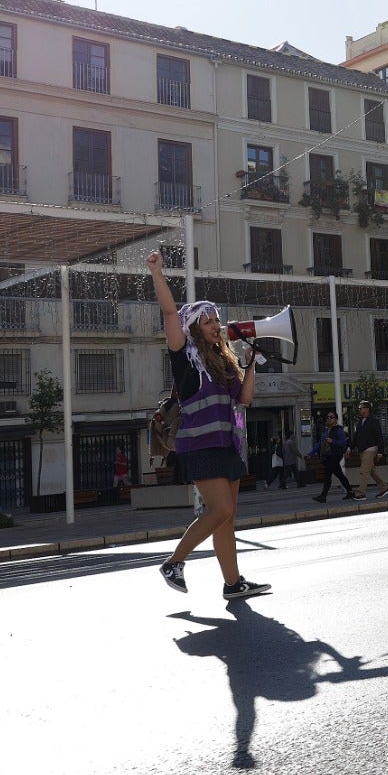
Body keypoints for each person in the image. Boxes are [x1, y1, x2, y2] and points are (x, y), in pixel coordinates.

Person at [147, 249, 270, 600]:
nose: (217, 326)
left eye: (217, 320)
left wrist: (250, 365)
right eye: (208, 321)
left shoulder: (221, 360)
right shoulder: (184, 357)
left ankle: (233, 584)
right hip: (200, 447)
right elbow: (170, 311)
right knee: (222, 510)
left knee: (226, 519)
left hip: (226, 444)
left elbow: (243, 400)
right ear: (194, 328)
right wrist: (158, 274)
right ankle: (174, 562)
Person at [313, 412, 358, 503]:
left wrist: (332, 441)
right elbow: (320, 443)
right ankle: (350, 491)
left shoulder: (338, 430)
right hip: (328, 456)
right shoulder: (326, 431)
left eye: (331, 417)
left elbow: (343, 443)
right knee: (339, 475)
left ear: (335, 419)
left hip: (336, 455)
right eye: (328, 417)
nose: (329, 419)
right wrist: (311, 453)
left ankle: (323, 496)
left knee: (327, 474)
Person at [351, 400, 388, 499]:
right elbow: (356, 437)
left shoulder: (373, 421)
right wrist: (349, 448)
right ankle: (384, 487)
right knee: (372, 471)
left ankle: (361, 493)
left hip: (370, 449)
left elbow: (379, 436)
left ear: (367, 409)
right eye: (359, 408)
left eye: (361, 408)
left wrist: (381, 452)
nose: (359, 410)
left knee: (364, 471)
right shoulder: (360, 422)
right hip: (363, 450)